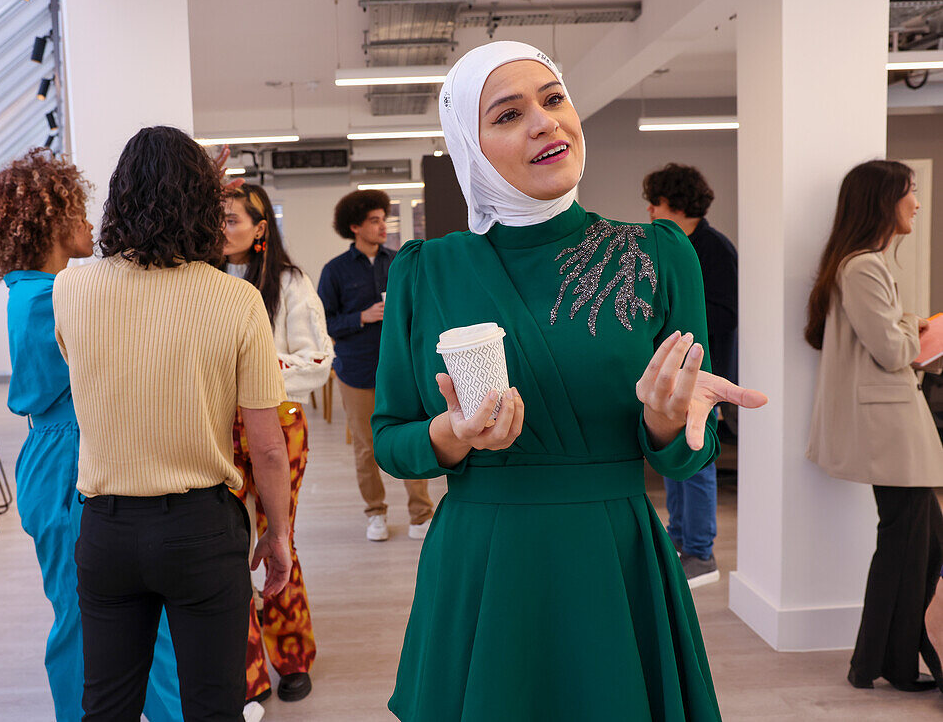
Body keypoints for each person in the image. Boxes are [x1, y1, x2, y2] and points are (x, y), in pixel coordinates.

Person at [371, 41, 766, 720]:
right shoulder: (426, 271)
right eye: (508, 114)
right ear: (471, 145)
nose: (544, 122)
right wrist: (451, 433)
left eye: (554, 99)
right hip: (484, 556)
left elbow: (687, 450)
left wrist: (673, 424)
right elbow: (391, 436)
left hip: (613, 557)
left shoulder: (659, 255)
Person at [52, 126, 293, 721]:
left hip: (106, 529)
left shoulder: (71, 287)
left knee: (106, 707)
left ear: (118, 196)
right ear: (204, 204)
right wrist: (279, 534)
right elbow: (266, 448)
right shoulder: (235, 299)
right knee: (213, 708)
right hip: (202, 529)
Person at [0, 148, 186, 722]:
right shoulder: (47, 297)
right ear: (53, 220)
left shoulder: (47, 291)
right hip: (67, 459)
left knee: (138, 616)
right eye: (82, 212)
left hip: (75, 453)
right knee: (81, 618)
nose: (92, 225)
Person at [805, 159, 943, 693]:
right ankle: (887, 662)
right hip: (889, 429)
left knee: (920, 546)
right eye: (910, 192)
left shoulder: (865, 265)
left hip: (893, 426)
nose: (916, 202)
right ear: (884, 201)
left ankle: (878, 659)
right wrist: (918, 326)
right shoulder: (863, 267)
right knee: (908, 548)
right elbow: (892, 350)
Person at [222, 183, 332, 711]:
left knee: (276, 540)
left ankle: (291, 658)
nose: (222, 229)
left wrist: (253, 376)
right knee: (226, 550)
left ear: (261, 228)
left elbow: (316, 363)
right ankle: (245, 675)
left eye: (232, 220)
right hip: (215, 432)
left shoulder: (289, 282)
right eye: (215, 219)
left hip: (278, 427)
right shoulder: (202, 281)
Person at [642, 163, 738, 588]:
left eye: (655, 203)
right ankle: (680, 539)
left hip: (703, 377)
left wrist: (677, 327)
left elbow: (725, 312)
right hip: (674, 379)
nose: (649, 211)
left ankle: (700, 552)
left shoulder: (713, 249)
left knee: (696, 464)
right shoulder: (673, 246)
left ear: (676, 204)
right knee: (675, 464)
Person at [317, 190, 433, 541]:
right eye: (375, 220)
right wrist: (361, 317)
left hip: (401, 370)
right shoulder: (334, 271)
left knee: (413, 437)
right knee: (366, 447)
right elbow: (325, 325)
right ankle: (375, 514)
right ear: (354, 226)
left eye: (384, 218)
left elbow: (420, 312)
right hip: (356, 371)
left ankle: (421, 514)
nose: (384, 225)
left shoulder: (400, 263)